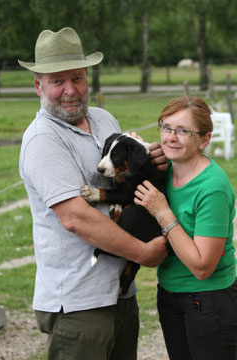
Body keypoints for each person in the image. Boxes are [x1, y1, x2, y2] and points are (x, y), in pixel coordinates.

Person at [18, 27, 168, 360]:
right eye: (57, 81)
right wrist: (143, 253)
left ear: (88, 79)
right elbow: (75, 218)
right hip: (79, 303)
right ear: (38, 85)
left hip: (120, 294)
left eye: (78, 78)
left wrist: (151, 161)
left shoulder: (102, 119)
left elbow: (125, 179)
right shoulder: (44, 140)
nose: (70, 90)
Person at [134, 95, 237, 360]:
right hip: (169, 293)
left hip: (208, 301)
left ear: (204, 139)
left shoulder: (212, 187)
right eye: (166, 127)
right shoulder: (163, 170)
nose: (170, 137)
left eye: (183, 131)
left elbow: (203, 267)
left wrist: (163, 212)